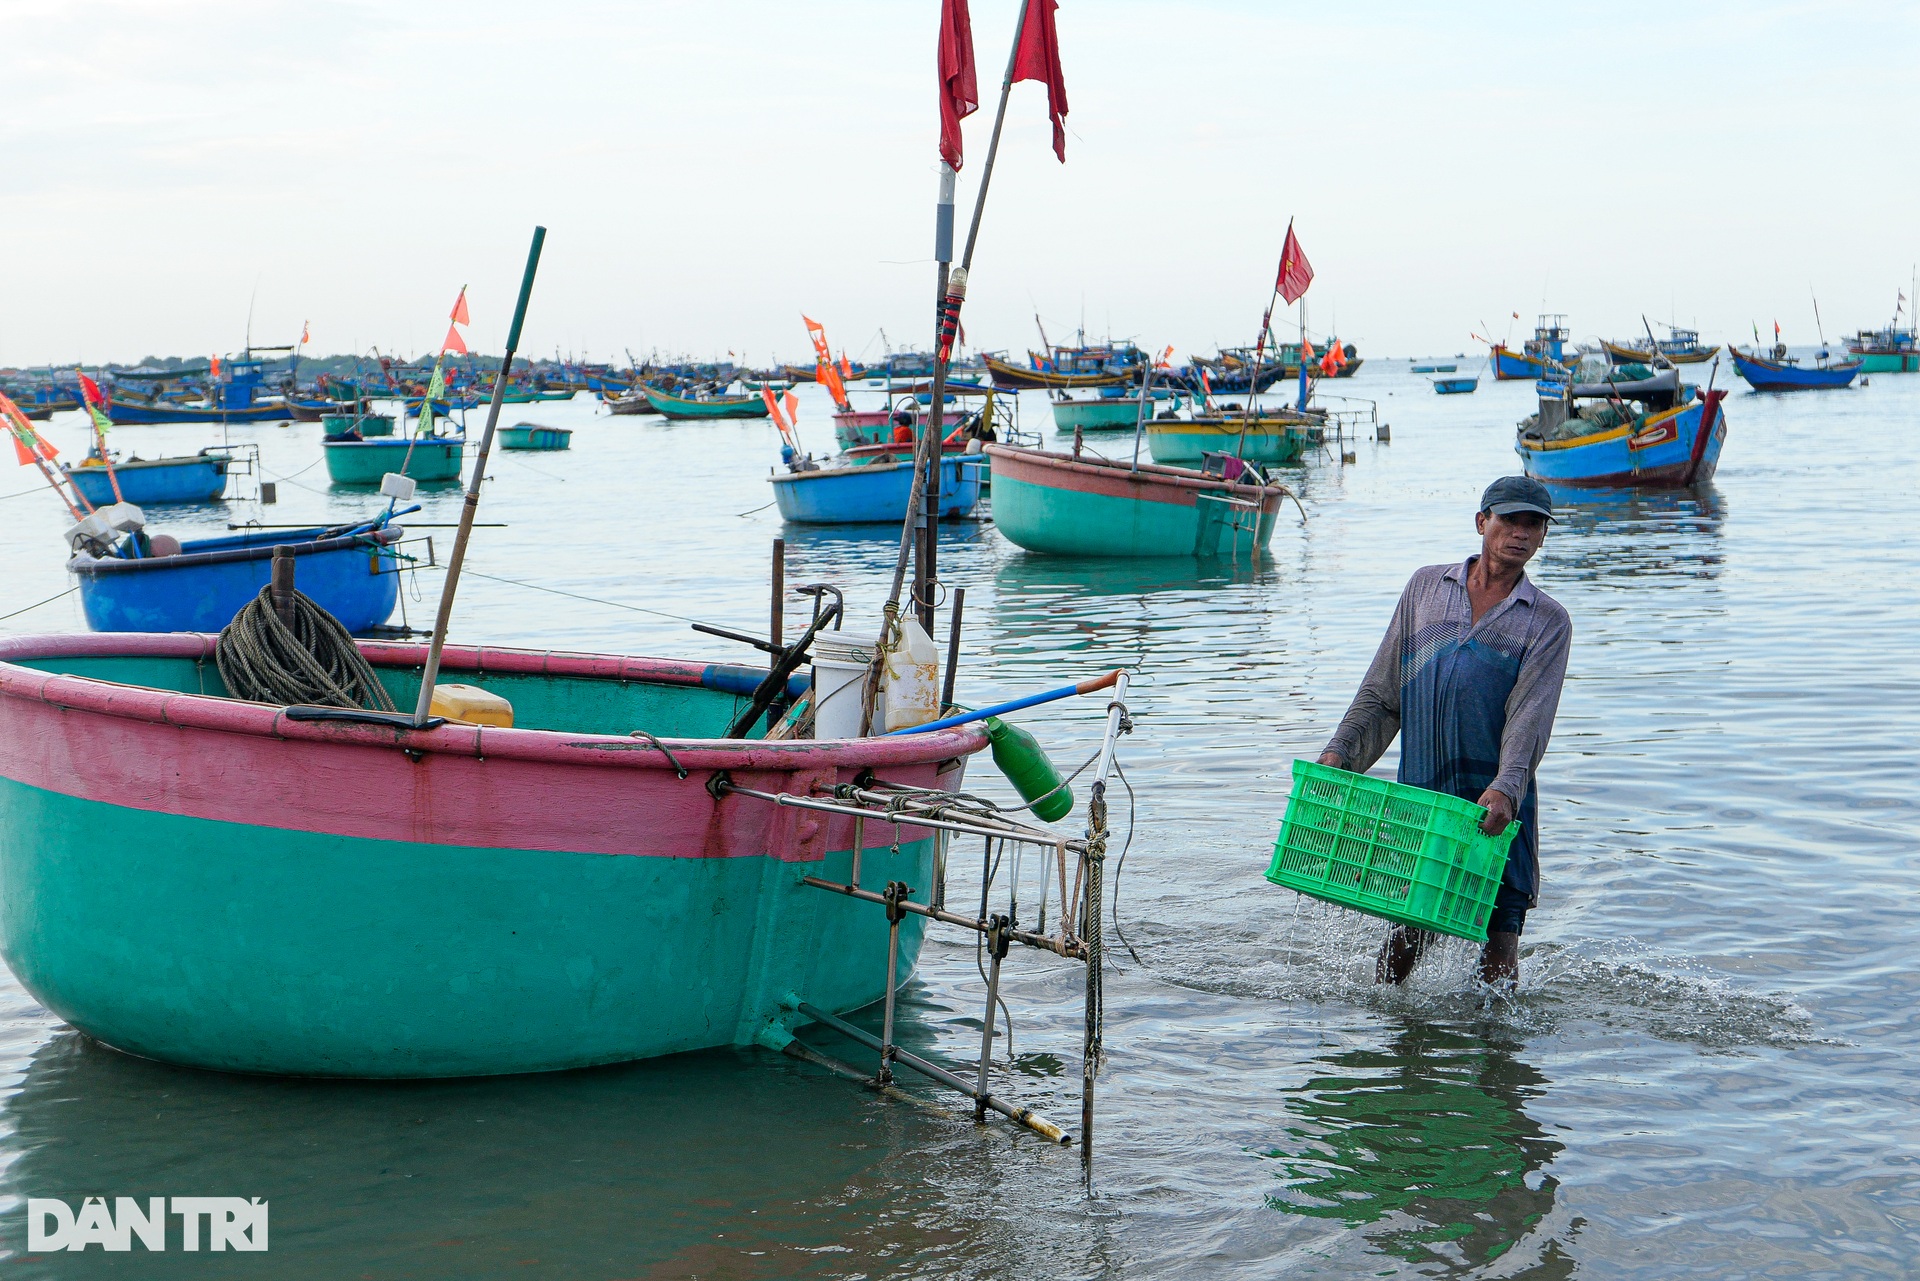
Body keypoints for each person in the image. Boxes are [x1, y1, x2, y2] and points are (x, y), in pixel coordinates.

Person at [1317, 476, 1571, 987]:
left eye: (1533, 524)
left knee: (1501, 935)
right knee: (1408, 930)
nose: (1520, 533)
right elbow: (1382, 693)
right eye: (1510, 520)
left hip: (1493, 795)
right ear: (1482, 522)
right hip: (1426, 792)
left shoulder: (1547, 621)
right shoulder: (1425, 589)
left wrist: (1506, 788)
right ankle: (1396, 1042)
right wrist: (1340, 755)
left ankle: (1497, 1054)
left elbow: (1531, 717)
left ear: (1543, 536)